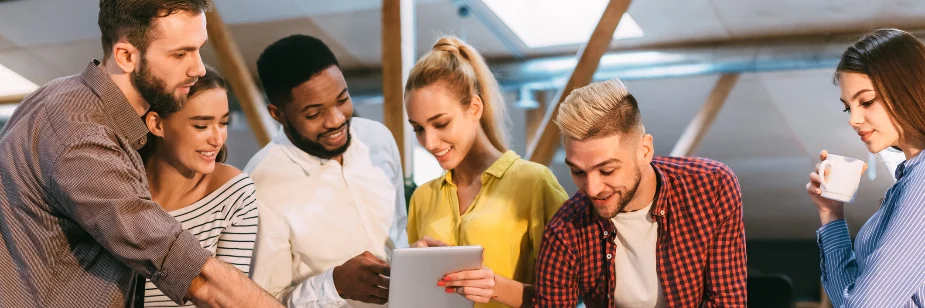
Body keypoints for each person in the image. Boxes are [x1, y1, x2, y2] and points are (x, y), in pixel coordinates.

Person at [0, 0, 280, 307]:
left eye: (198, 50)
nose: (198, 69)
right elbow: (192, 273)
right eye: (180, 54)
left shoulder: (59, 94)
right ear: (126, 56)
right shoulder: (83, 141)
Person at [533, 79, 747, 307]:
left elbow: (727, 302)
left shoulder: (712, 187)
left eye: (607, 170)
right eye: (578, 171)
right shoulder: (564, 230)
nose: (592, 189)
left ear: (644, 151)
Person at [403, 36, 568, 308]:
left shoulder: (534, 183)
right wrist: (410, 272)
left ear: (475, 108)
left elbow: (570, 296)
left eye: (441, 123)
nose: (429, 142)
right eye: (418, 129)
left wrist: (498, 288)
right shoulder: (422, 198)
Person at [247, 34, 407, 307]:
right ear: (277, 114)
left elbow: (399, 233)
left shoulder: (378, 139)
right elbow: (264, 301)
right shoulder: (259, 184)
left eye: (342, 99)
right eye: (314, 114)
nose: (336, 120)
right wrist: (335, 286)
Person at [807, 28, 925, 307]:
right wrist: (830, 213)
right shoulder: (909, 180)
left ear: (908, 89)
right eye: (848, 107)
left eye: (867, 101)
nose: (854, 119)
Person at [138, 67, 260, 307]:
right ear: (156, 124)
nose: (217, 139)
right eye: (201, 126)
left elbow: (229, 299)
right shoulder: (118, 189)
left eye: (223, 123)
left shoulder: (234, 193)